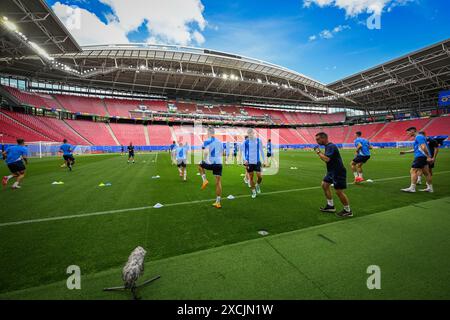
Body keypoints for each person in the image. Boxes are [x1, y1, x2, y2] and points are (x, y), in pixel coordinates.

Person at [314, 132, 352, 218]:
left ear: (324, 138)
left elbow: (327, 159)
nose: (317, 141)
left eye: (318, 139)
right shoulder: (328, 147)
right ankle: (330, 206)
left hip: (338, 171)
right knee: (324, 185)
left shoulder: (331, 146)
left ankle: (348, 210)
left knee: (339, 192)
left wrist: (318, 152)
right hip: (331, 171)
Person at [400, 127, 433, 193]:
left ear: (412, 131)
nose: (408, 134)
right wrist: (405, 152)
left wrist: (428, 156)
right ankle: (430, 188)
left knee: (413, 171)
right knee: (426, 173)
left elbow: (423, 147)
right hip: (423, 156)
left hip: (420, 157)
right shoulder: (419, 137)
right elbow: (417, 149)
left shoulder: (418, 137)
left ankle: (412, 188)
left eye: (408, 132)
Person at [198, 127, 223, 209]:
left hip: (212, 163)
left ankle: (204, 180)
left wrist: (206, 160)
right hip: (219, 163)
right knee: (218, 182)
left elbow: (205, 152)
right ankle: (218, 202)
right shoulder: (219, 141)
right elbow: (222, 152)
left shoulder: (207, 141)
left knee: (199, 164)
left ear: (209, 133)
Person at [243, 128, 266, 198]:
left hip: (257, 161)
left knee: (260, 177)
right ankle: (253, 192)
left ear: (253, 133)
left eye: (251, 133)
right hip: (249, 162)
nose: (250, 135)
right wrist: (245, 159)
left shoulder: (258, 141)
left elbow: (261, 151)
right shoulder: (246, 142)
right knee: (251, 177)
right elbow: (244, 152)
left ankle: (257, 185)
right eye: (249, 134)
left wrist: (264, 160)